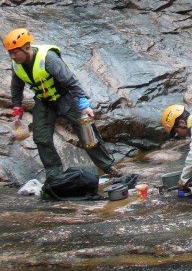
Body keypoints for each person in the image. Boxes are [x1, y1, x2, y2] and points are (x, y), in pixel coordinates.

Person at [4, 28, 121, 179]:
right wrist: (17, 106)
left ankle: (108, 166)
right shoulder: (16, 65)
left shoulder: (48, 58)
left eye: (15, 52)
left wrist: (84, 103)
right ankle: (55, 175)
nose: (12, 56)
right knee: (41, 138)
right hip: (43, 101)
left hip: (65, 97)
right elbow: (16, 86)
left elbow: (70, 81)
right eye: (10, 53)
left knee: (86, 130)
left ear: (26, 47)